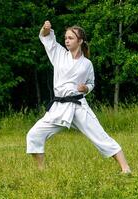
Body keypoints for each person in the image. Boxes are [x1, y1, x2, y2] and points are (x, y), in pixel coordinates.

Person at [26, 21, 131, 174]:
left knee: (99, 135)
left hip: (78, 106)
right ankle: (42, 171)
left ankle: (125, 168)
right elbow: (47, 38)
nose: (67, 40)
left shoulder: (87, 64)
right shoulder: (59, 54)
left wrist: (86, 88)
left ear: (80, 41)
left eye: (71, 38)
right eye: (66, 38)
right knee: (34, 134)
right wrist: (45, 29)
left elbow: (91, 83)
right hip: (59, 107)